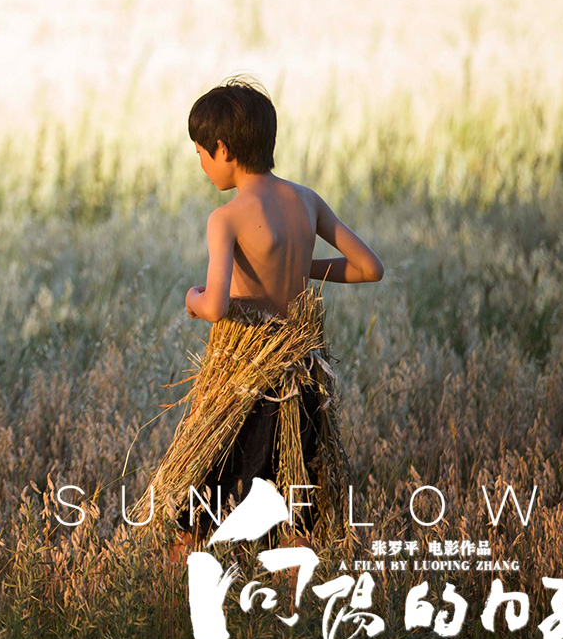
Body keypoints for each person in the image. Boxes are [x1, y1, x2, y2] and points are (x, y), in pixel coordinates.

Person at [139, 77, 383, 551]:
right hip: (299, 371)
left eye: (200, 153)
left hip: (245, 375)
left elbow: (215, 306)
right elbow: (369, 268)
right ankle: (295, 586)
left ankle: (182, 582)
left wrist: (191, 298)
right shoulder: (306, 200)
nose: (201, 163)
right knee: (296, 494)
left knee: (201, 491)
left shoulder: (226, 217)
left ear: (223, 149)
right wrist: (303, 266)